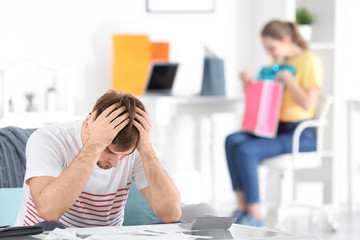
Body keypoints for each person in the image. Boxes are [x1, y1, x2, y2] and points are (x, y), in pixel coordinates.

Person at [16, 90, 182, 227]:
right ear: (89, 125)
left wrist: (147, 150)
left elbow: (171, 214)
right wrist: (94, 146)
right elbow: (48, 211)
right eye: (109, 151)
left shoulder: (138, 147)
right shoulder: (48, 139)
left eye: (124, 155)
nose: (116, 163)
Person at [225, 20, 323, 227]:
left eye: (272, 47)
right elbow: (261, 100)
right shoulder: (275, 63)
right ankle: (242, 209)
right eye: (267, 49)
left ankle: (256, 215)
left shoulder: (309, 61)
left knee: (246, 150)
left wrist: (288, 79)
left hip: (299, 135)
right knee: (232, 140)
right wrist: (247, 83)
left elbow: (307, 104)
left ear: (286, 40)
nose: (270, 53)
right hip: (275, 129)